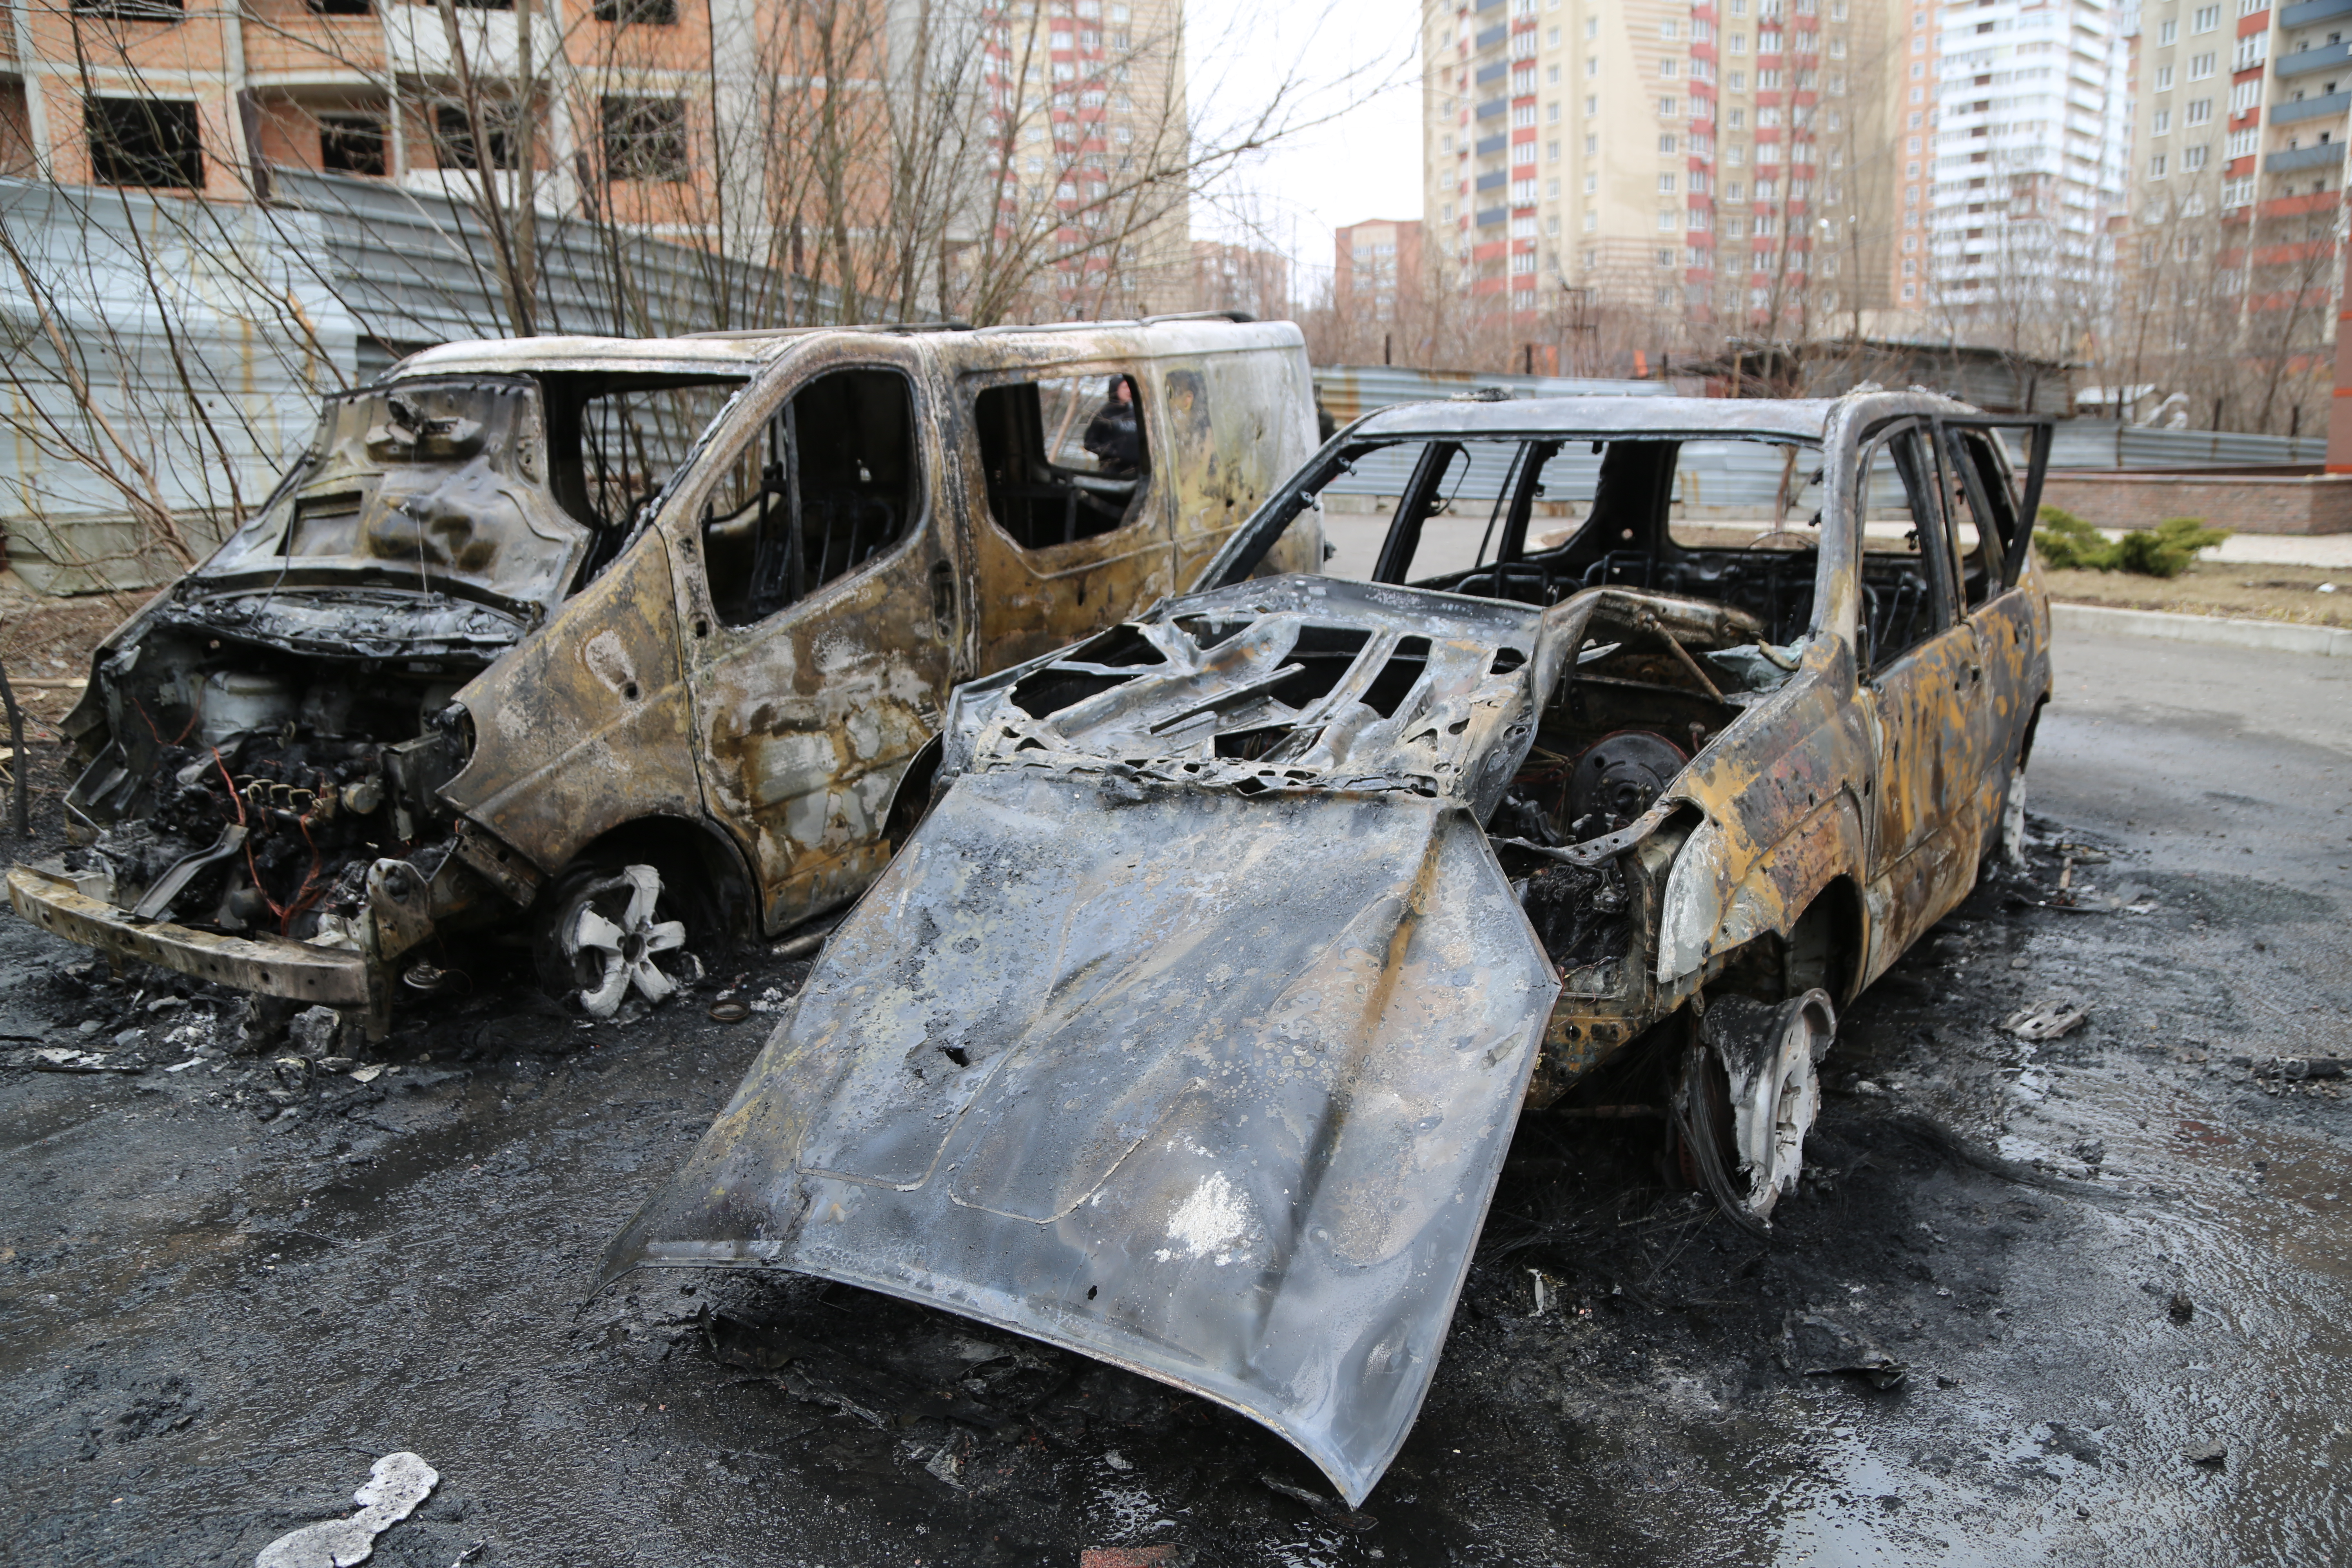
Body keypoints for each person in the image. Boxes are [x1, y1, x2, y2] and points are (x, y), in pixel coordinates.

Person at [1082, 375, 1141, 477]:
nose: (1129, 391)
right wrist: (1114, 453)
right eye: (1125, 387)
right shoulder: (1105, 414)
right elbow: (1089, 443)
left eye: (1130, 387)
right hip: (1112, 472)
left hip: (1138, 473)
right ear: (1115, 389)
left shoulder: (1138, 413)